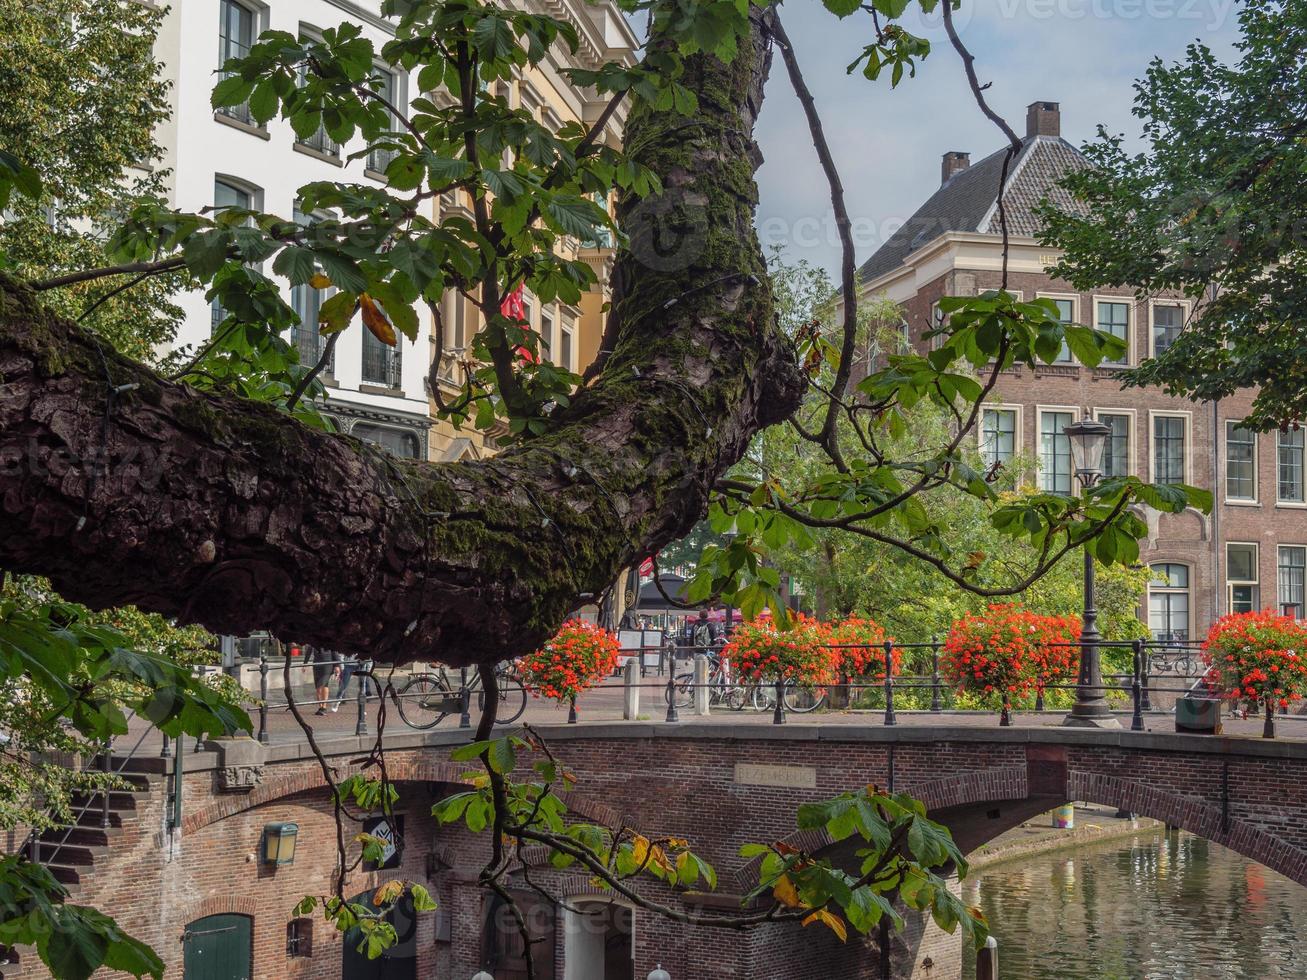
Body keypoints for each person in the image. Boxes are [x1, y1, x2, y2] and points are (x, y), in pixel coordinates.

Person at [308, 645, 337, 716]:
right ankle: (321, 707)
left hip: (327, 664)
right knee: (318, 688)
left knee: (322, 685)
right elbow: (309, 650)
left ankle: (324, 706)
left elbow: (335, 652)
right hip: (316, 664)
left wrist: (337, 665)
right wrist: (305, 663)